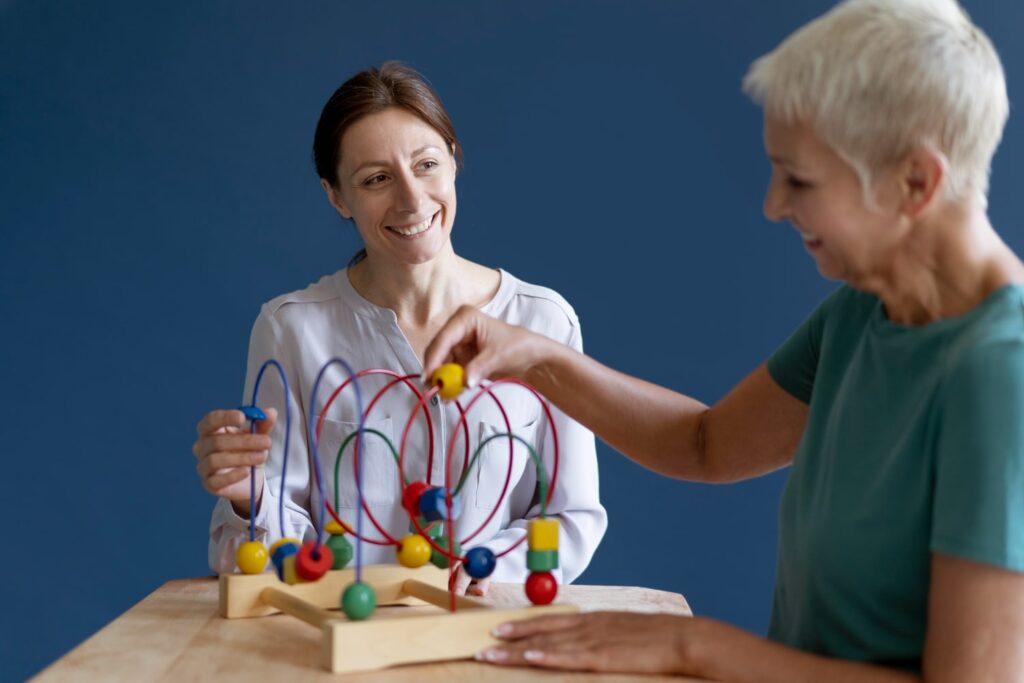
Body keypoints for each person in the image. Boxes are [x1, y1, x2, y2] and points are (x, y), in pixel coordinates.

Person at [423, 0, 1024, 678]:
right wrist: (531, 355)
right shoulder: (864, 311)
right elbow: (705, 443)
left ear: (916, 180)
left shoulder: (1003, 373)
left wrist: (692, 645)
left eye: (799, 179)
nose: (773, 204)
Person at [192, 62, 606, 595]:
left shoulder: (542, 321)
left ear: (454, 161)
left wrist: (482, 570)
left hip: (490, 646)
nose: (412, 200)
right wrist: (247, 498)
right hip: (338, 652)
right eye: (376, 179)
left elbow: (572, 518)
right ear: (336, 196)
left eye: (427, 164)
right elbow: (260, 555)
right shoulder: (291, 329)